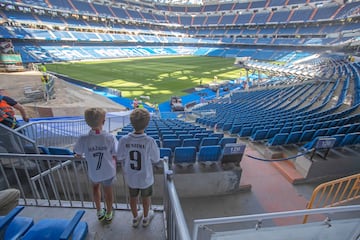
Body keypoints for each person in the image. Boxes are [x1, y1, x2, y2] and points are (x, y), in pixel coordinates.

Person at [116, 108, 160, 227]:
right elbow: (156, 159)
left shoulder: (124, 140)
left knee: (133, 198)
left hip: (131, 177)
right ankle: (145, 218)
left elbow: (119, 156)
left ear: (131, 122)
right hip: (146, 177)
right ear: (147, 123)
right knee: (146, 198)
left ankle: (135, 218)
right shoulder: (149, 141)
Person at [73, 108, 117, 223]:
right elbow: (115, 153)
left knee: (95, 189)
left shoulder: (83, 139)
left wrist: (79, 154)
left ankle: (99, 211)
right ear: (103, 121)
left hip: (94, 172)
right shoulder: (109, 137)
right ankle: (109, 212)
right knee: (108, 192)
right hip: (108, 172)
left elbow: (77, 152)